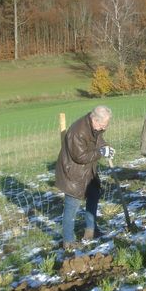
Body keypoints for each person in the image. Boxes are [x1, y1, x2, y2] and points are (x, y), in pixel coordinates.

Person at [55, 105, 115, 250]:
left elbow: (99, 140)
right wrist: (101, 153)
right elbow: (80, 156)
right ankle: (68, 241)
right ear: (95, 119)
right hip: (74, 175)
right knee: (71, 208)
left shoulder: (94, 127)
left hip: (89, 172)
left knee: (93, 197)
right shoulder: (78, 132)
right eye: (102, 125)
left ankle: (91, 231)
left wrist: (106, 147)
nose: (103, 128)